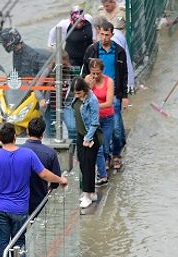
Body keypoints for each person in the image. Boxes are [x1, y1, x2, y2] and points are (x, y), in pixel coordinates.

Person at [0, 123, 68, 257]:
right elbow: (44, 174)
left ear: (0, 139)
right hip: (20, 208)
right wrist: (61, 180)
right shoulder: (27, 155)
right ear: (15, 137)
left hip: (0, 208)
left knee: (2, 242)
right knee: (20, 242)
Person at [82, 20, 129, 171]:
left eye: (107, 35)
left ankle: (116, 154)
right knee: (97, 126)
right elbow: (85, 72)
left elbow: (124, 73)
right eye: (101, 34)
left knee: (116, 127)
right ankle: (105, 156)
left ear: (112, 34)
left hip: (113, 93)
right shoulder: (92, 50)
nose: (104, 38)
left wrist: (125, 95)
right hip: (95, 92)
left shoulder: (119, 51)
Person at [70, 77, 101, 209]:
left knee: (88, 165)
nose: (76, 95)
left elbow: (94, 122)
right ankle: (89, 192)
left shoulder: (92, 100)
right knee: (83, 164)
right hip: (80, 135)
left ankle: (88, 194)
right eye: (75, 93)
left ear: (84, 90)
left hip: (90, 136)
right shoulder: (77, 99)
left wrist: (88, 138)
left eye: (79, 93)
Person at [22, 117, 63, 214]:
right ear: (43, 134)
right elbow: (56, 180)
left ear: (28, 131)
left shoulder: (18, 151)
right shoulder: (50, 153)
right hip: (39, 199)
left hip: (20, 200)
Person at [85, 57, 115, 186]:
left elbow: (108, 103)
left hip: (107, 118)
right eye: (93, 73)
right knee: (99, 148)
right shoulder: (87, 80)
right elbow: (84, 100)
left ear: (102, 71)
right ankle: (102, 174)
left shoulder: (109, 81)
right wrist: (90, 88)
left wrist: (95, 106)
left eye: (98, 73)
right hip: (94, 121)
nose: (96, 76)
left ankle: (107, 161)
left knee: (106, 147)